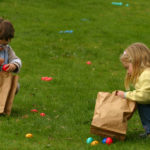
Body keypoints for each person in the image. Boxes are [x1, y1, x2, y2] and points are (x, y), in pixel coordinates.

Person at [117, 42, 150, 138]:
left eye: (127, 68)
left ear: (136, 62)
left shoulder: (146, 75)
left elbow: (145, 96)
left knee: (143, 103)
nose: (128, 72)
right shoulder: (145, 73)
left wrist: (126, 95)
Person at [0, 18, 22, 93]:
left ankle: (4, 103)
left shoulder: (7, 49)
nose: (3, 44)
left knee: (15, 86)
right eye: (0, 39)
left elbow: (16, 59)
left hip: (3, 78)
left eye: (6, 40)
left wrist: (14, 65)